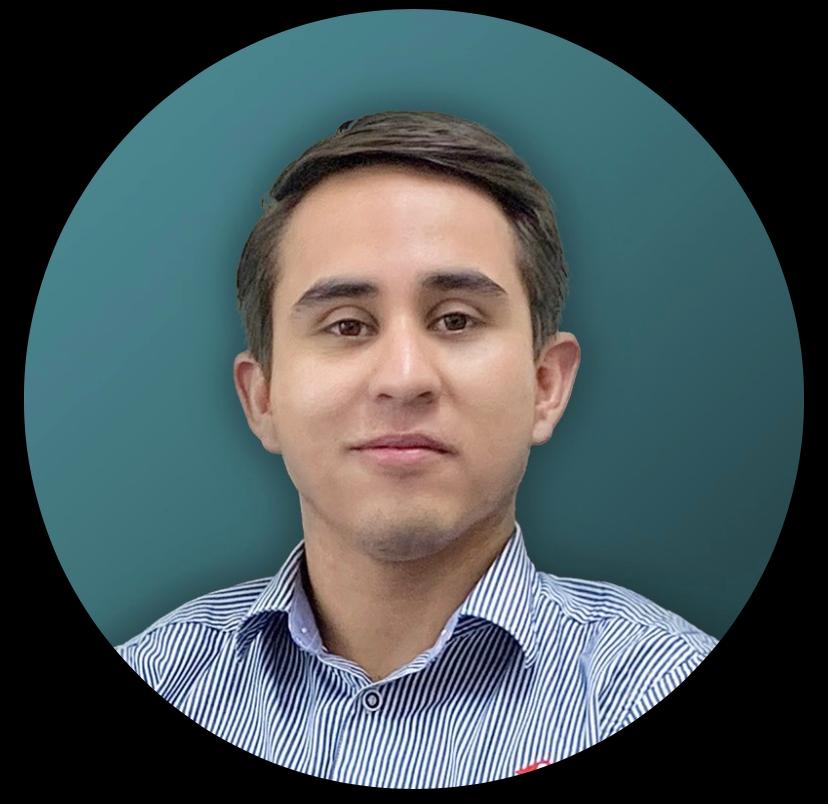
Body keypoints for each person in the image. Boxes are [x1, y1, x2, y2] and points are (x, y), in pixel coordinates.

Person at [114, 110, 718, 788]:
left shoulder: (656, 685)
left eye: (456, 319)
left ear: (546, 386)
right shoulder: (158, 677)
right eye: (347, 325)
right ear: (262, 399)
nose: (403, 378)